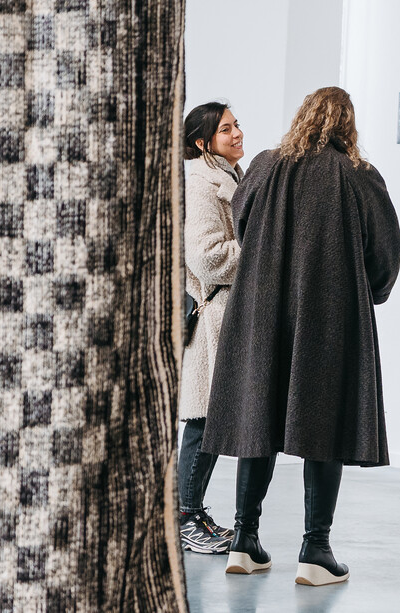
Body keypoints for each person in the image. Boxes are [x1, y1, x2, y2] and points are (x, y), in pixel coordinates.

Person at [202, 86, 400, 586]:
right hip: (329, 316)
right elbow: (385, 252)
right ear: (346, 124)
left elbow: (244, 226)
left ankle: (243, 542)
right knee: (324, 425)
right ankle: (316, 551)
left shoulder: (266, 165)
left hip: (262, 311)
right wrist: (370, 292)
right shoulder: (357, 175)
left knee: (258, 418)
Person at [177, 101, 246, 554]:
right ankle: (185, 517)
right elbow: (204, 255)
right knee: (204, 419)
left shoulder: (226, 176)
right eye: (226, 129)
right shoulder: (202, 183)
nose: (238, 133)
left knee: (213, 418)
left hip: (226, 313)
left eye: (237, 124)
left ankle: (192, 511)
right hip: (213, 312)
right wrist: (260, 252)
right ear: (203, 142)